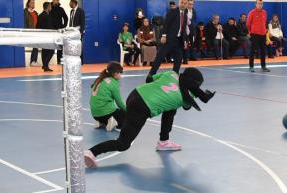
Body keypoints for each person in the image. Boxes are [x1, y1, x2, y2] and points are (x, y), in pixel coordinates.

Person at [84, 68, 215, 167]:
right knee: (123, 144)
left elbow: (151, 79)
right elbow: (187, 107)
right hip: (142, 107)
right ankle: (91, 152)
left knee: (170, 109)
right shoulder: (187, 97)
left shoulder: (171, 74)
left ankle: (164, 141)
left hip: (135, 94)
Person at [146, 0, 190, 81]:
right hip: (169, 39)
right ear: (179, 3)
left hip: (179, 41)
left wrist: (184, 41)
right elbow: (166, 24)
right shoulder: (172, 11)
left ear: (187, 5)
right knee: (160, 57)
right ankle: (151, 75)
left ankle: (174, 76)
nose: (183, 4)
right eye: (182, 2)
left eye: (185, 3)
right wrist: (164, 36)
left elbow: (183, 29)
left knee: (178, 59)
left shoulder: (185, 14)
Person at [90, 62, 127, 131]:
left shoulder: (100, 79)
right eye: (120, 73)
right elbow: (119, 103)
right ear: (115, 73)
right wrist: (128, 111)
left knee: (113, 111)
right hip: (105, 113)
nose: (121, 75)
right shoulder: (113, 83)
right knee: (125, 116)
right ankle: (113, 122)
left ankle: (101, 122)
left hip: (95, 115)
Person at [246, 0, 270, 72]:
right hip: (254, 35)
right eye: (259, 3)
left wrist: (265, 31)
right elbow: (248, 24)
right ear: (255, 4)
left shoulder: (264, 12)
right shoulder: (252, 12)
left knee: (263, 51)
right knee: (252, 51)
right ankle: (251, 66)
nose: (260, 5)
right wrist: (250, 32)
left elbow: (264, 22)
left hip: (263, 35)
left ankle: (263, 66)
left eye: (261, 4)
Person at [37, 1, 55, 72]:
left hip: (42, 35)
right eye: (50, 6)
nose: (51, 8)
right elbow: (49, 27)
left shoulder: (40, 15)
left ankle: (45, 66)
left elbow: (38, 26)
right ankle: (45, 65)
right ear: (48, 7)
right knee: (51, 51)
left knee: (44, 51)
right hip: (48, 35)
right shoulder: (47, 16)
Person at [50, 0, 68, 64]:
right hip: (51, 29)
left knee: (60, 45)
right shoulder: (50, 8)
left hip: (59, 30)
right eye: (56, 0)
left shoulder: (61, 9)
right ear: (53, 0)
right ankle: (47, 61)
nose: (57, 1)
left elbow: (66, 18)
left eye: (58, 0)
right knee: (50, 45)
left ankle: (59, 60)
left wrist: (64, 26)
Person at [23, 0, 39, 66]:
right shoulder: (25, 12)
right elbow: (24, 22)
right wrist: (26, 31)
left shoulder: (35, 12)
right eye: (32, 2)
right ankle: (31, 61)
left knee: (36, 46)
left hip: (35, 32)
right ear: (28, 3)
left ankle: (33, 61)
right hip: (28, 31)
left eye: (34, 2)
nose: (33, 4)